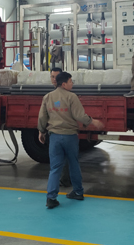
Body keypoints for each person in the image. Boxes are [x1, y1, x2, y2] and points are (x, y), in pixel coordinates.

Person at [38, 71, 105, 209]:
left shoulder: (48, 97)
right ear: (64, 84)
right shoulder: (72, 97)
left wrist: (41, 131)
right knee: (74, 164)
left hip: (55, 137)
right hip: (70, 136)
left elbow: (42, 118)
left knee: (55, 167)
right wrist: (92, 121)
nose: (72, 83)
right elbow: (79, 115)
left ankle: (51, 198)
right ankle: (78, 192)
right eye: (70, 81)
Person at [50, 67, 71, 188]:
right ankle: (65, 180)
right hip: (58, 131)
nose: (54, 79)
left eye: (56, 77)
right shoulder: (51, 95)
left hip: (63, 131)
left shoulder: (68, 95)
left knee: (62, 158)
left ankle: (64, 180)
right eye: (52, 77)